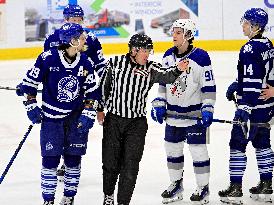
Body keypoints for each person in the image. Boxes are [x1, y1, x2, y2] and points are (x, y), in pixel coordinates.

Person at [99, 33, 190, 205]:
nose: (147, 54)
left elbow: (167, 75)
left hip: (136, 124)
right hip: (114, 121)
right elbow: (104, 86)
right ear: (133, 50)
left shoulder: (151, 68)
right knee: (110, 163)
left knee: (131, 165)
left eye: (149, 51)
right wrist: (99, 109)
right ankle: (108, 196)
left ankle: (123, 202)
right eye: (144, 51)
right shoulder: (115, 63)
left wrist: (178, 69)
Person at [18, 23, 98, 205]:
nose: (85, 40)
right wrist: (31, 103)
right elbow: (30, 83)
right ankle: (48, 200)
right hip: (51, 120)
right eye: (82, 37)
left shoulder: (86, 62)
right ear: (73, 40)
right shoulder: (48, 58)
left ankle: (69, 197)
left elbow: (92, 91)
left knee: (73, 159)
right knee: (50, 160)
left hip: (75, 119)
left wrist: (88, 111)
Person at [151, 19, 216, 204]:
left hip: (194, 116)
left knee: (198, 151)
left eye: (179, 32)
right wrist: (159, 103)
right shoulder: (167, 57)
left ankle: (203, 188)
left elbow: (209, 87)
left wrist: (208, 108)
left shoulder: (201, 57)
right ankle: (176, 185)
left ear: (188, 35)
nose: (174, 35)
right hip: (173, 116)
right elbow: (162, 84)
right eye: (174, 32)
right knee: (172, 150)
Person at [43, 4, 107, 180]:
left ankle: (69, 163)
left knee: (75, 131)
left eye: (80, 20)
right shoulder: (52, 39)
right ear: (65, 19)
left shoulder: (90, 39)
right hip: (58, 99)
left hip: (81, 94)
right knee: (57, 132)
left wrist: (100, 99)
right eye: (74, 20)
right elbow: (45, 67)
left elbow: (101, 69)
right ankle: (61, 161)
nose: (78, 23)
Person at [218, 8, 274, 205]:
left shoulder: (249, 49)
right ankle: (267, 185)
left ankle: (235, 188)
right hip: (267, 107)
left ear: (255, 26)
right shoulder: (268, 44)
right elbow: (265, 75)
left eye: (246, 22)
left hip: (252, 108)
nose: (243, 24)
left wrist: (244, 108)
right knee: (263, 144)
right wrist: (237, 84)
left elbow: (251, 83)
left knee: (237, 144)